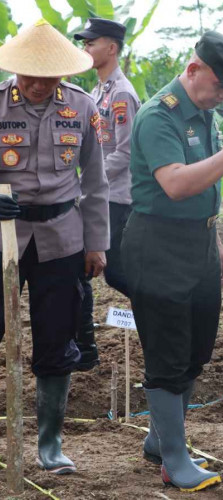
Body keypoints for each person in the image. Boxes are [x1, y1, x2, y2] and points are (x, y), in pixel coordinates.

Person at [122, 31, 223, 491]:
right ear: (192, 70)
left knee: (197, 350)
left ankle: (159, 438)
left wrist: (217, 239)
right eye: (218, 85)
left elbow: (204, 191)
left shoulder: (205, 114)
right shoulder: (157, 117)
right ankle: (173, 460)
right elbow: (177, 184)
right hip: (158, 246)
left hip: (200, 244)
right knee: (167, 355)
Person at [0, 20, 109, 474]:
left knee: (57, 336)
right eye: (30, 77)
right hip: (4, 235)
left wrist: (96, 244)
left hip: (62, 238)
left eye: (48, 77)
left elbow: (97, 181)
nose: (38, 85)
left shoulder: (82, 108)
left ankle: (50, 444)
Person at [71, 18, 141, 371]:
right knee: (81, 270)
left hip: (114, 197)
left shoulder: (122, 94)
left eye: (90, 43)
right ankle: (84, 348)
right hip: (98, 194)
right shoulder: (98, 91)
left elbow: (125, 153)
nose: (85, 49)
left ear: (111, 48)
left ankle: (162, 314)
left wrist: (86, 180)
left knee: (115, 273)